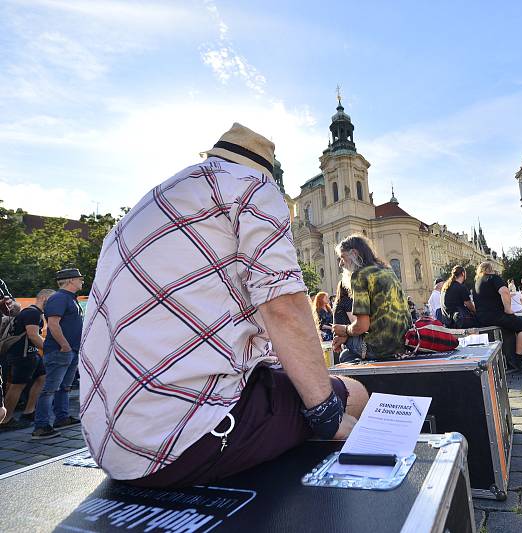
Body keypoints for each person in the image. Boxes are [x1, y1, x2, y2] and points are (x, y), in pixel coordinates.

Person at [80, 124, 368, 486]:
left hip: (109, 441)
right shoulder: (252, 186)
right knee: (353, 394)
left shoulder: (145, 207)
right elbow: (284, 307)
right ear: (265, 168)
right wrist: (325, 412)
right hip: (177, 443)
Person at [332, 234, 412, 361]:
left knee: (343, 353)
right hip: (405, 343)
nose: (341, 264)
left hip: (380, 347)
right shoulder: (387, 270)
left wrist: (344, 331)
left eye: (342, 257)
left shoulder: (360, 275)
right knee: (346, 353)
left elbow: (362, 326)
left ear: (354, 253)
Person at [32, 269, 84, 439]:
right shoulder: (60, 298)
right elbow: (53, 324)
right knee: (49, 390)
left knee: (64, 387)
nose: (82, 281)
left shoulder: (68, 298)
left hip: (69, 351)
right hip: (60, 351)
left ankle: (61, 418)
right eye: (79, 279)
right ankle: (41, 427)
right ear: (70, 281)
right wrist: (65, 346)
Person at [0, 289, 54, 431]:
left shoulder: (34, 313)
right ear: (43, 298)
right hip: (22, 355)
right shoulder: (32, 313)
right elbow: (33, 336)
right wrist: (51, 350)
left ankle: (29, 411)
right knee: (17, 386)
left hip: (30, 354)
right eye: (52, 300)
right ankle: (6, 420)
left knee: (42, 378)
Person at [473, 262, 522, 373]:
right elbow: (505, 292)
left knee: (510, 327)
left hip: (482, 318)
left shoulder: (476, 282)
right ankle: (518, 360)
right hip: (496, 316)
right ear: (491, 269)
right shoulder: (493, 278)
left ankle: (511, 361)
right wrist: (508, 310)